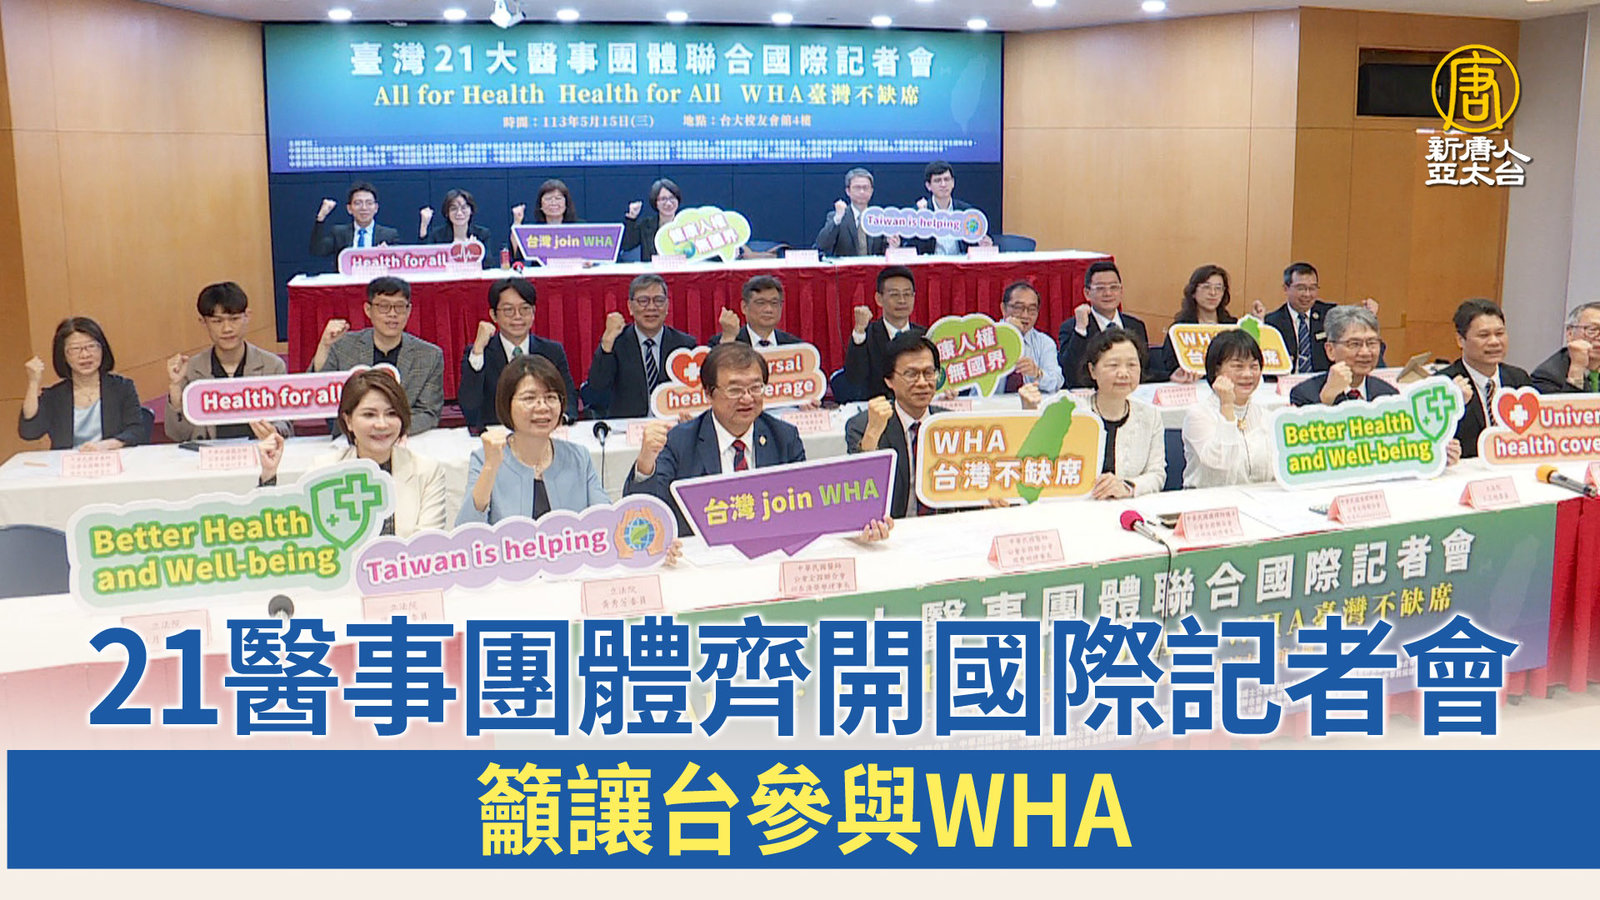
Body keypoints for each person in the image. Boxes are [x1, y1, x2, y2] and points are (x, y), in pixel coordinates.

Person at [626, 342, 893, 541]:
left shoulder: (783, 437)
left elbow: (807, 508)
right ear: (708, 393)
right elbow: (644, 514)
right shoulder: (681, 440)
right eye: (734, 389)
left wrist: (855, 527)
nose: (747, 398)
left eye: (756, 387)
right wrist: (646, 462)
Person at [257, 369, 445, 537]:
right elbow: (293, 533)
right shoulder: (324, 469)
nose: (382, 424)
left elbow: (427, 544)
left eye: (391, 414)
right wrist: (268, 475)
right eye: (369, 414)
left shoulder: (427, 471)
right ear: (348, 421)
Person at [458, 355, 606, 525]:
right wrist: (490, 468)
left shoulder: (579, 457)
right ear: (507, 404)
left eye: (551, 397)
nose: (542, 407)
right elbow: (467, 531)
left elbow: (607, 521)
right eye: (529, 398)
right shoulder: (485, 459)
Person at [312, 276, 445, 434]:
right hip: (351, 437)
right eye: (383, 306)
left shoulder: (430, 355)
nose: (392, 314)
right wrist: (324, 346)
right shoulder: (343, 346)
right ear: (368, 310)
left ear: (409, 311)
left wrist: (389, 430)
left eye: (399, 307)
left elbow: (429, 413)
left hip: (404, 437)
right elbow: (317, 394)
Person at [165, 282, 291, 442]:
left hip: (259, 451)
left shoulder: (272, 366)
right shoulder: (191, 370)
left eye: (234, 319)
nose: (227, 329)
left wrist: (274, 431)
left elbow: (286, 424)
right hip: (208, 454)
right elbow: (177, 435)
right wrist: (176, 389)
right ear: (203, 322)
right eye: (217, 321)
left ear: (247, 316)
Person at [845, 333, 948, 518]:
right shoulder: (863, 425)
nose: (922, 383)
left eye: (929, 373)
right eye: (911, 374)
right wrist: (872, 434)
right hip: (893, 528)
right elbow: (860, 492)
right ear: (889, 380)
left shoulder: (950, 422)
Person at [1056, 328, 1166, 498]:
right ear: (1092, 370)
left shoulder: (1150, 416)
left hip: (1128, 505)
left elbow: (1157, 474)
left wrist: (1127, 487)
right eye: (1113, 365)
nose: (1123, 373)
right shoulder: (1074, 414)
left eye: (1132, 365)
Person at [460, 277, 577, 431]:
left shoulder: (552, 351)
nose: (517, 316)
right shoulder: (480, 354)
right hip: (497, 435)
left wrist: (560, 419)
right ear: (493, 315)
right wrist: (478, 351)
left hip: (543, 431)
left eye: (525, 309)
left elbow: (569, 398)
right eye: (508, 310)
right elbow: (469, 407)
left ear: (533, 312)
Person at [19, 317, 150, 451]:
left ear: (102, 349)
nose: (85, 355)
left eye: (91, 346)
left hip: (111, 458)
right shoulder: (55, 396)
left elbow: (137, 431)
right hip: (68, 462)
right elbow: (29, 432)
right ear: (63, 355)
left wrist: (106, 445)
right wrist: (33, 383)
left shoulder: (122, 387)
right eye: (75, 349)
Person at [584, 273, 697, 419]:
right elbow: (596, 391)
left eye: (659, 300)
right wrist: (606, 343)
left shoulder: (685, 345)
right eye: (643, 301)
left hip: (672, 424)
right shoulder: (616, 343)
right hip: (626, 425)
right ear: (630, 307)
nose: (651, 307)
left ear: (667, 306)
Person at [1439, 298, 1533, 459]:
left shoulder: (1518, 379)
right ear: (1460, 340)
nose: (1494, 342)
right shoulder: (1445, 384)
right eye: (1483, 335)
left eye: (1500, 333)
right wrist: (1454, 405)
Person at [1182, 329, 1275, 487]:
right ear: (1216, 370)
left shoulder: (1265, 416)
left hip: (1259, 499)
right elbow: (1221, 465)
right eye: (1238, 366)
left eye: (1254, 366)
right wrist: (1227, 406)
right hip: (1209, 500)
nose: (1247, 374)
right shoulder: (1198, 415)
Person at [1264, 262, 1381, 375]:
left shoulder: (1330, 314)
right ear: (1286, 288)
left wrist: (1369, 315)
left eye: (1312, 288)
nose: (1307, 294)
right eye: (1301, 288)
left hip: (1325, 380)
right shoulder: (1272, 321)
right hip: (1287, 381)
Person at [1058, 261, 1150, 388]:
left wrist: (1170, 375)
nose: (1108, 293)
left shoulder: (1136, 326)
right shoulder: (1073, 327)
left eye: (1114, 287)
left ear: (1121, 291)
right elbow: (1069, 372)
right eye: (1100, 288)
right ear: (1087, 293)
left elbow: (1145, 370)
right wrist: (1080, 330)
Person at [843, 265, 925, 401]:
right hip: (878, 407)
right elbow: (855, 379)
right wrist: (859, 331)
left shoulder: (924, 336)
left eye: (907, 294)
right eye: (894, 295)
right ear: (879, 299)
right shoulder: (866, 335)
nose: (902, 300)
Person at [1289, 305, 1398, 406]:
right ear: (1330, 350)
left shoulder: (1389, 395)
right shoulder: (1304, 394)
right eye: (1354, 344)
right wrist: (1327, 398)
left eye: (1371, 343)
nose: (1365, 352)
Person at [907, 161, 993, 256]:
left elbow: (975, 244)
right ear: (928, 186)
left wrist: (983, 245)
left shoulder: (967, 212)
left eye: (947, 179)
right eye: (937, 180)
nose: (943, 184)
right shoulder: (919, 212)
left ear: (953, 183)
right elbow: (911, 248)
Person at [998, 281, 1063, 394]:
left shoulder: (1045, 343)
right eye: (1018, 308)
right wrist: (1008, 337)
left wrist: (1037, 373)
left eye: (1032, 309)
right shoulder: (984, 338)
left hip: (1032, 403)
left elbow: (1057, 382)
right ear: (1003, 308)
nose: (1025, 315)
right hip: (987, 404)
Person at [815, 167, 894, 257]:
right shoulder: (837, 217)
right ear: (848, 191)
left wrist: (893, 246)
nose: (862, 192)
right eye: (857, 188)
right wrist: (837, 219)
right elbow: (821, 245)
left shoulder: (879, 218)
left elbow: (885, 251)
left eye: (865, 188)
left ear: (871, 191)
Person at [309, 182, 399, 258]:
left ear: (376, 208)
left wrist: (389, 254)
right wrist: (320, 217)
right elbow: (317, 250)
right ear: (349, 209)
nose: (364, 208)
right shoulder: (339, 233)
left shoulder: (389, 235)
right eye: (358, 203)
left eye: (369, 203)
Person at [709, 275, 803, 348]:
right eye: (761, 303)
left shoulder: (795, 346)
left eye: (774, 303)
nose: (768, 309)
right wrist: (728, 339)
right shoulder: (723, 342)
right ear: (744, 307)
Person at [1531, 301, 1600, 393]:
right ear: (1570, 333)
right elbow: (1570, 402)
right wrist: (1577, 369)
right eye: (1593, 329)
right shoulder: (1547, 375)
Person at [420, 188, 497, 266]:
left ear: (471, 211)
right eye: (454, 209)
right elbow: (423, 261)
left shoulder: (482, 234)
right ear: (447, 213)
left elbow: (489, 265)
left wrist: (475, 253)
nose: (459, 213)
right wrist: (423, 226)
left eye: (464, 208)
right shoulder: (437, 235)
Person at [510, 179, 580, 264]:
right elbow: (517, 255)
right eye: (548, 199)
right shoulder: (533, 231)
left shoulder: (580, 228)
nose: (553, 203)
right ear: (541, 205)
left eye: (558, 198)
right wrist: (517, 222)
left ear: (566, 204)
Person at [620, 178, 682, 263]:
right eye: (663, 199)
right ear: (655, 202)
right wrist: (632, 217)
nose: (668, 203)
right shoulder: (646, 225)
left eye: (672, 198)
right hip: (652, 271)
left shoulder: (687, 223)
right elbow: (627, 245)